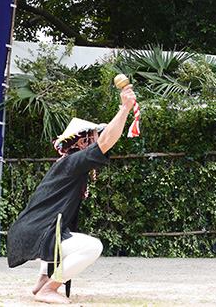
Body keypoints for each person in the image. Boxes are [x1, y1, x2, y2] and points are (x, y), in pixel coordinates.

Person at [7, 83, 136, 304]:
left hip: (31, 230)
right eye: (93, 136)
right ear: (83, 141)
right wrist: (124, 109)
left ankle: (43, 281)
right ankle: (49, 288)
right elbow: (106, 142)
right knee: (94, 246)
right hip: (37, 232)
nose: (97, 138)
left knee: (63, 234)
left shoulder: (67, 164)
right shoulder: (73, 162)